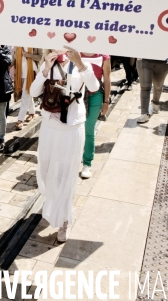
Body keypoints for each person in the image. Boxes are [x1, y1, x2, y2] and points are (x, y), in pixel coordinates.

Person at [29, 48, 99, 242]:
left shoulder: (82, 65)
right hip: (50, 127)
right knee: (45, 170)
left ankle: (65, 219)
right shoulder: (47, 65)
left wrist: (81, 64)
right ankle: (53, 204)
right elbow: (33, 91)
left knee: (67, 174)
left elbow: (93, 86)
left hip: (72, 127)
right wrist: (45, 71)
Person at [80, 53, 111, 179]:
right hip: (77, 95)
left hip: (96, 95)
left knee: (88, 128)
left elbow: (107, 78)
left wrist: (106, 101)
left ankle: (87, 163)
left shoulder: (104, 56)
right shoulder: (77, 52)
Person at [13, 47, 43, 130]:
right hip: (19, 73)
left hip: (31, 73)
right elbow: (14, 57)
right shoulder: (18, 43)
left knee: (25, 97)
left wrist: (28, 55)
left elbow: (40, 57)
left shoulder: (36, 42)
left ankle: (20, 120)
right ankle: (32, 113)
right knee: (28, 94)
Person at [136, 57, 168, 124]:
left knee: (158, 86)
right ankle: (144, 113)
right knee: (145, 87)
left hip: (162, 61)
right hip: (144, 60)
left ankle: (155, 103)